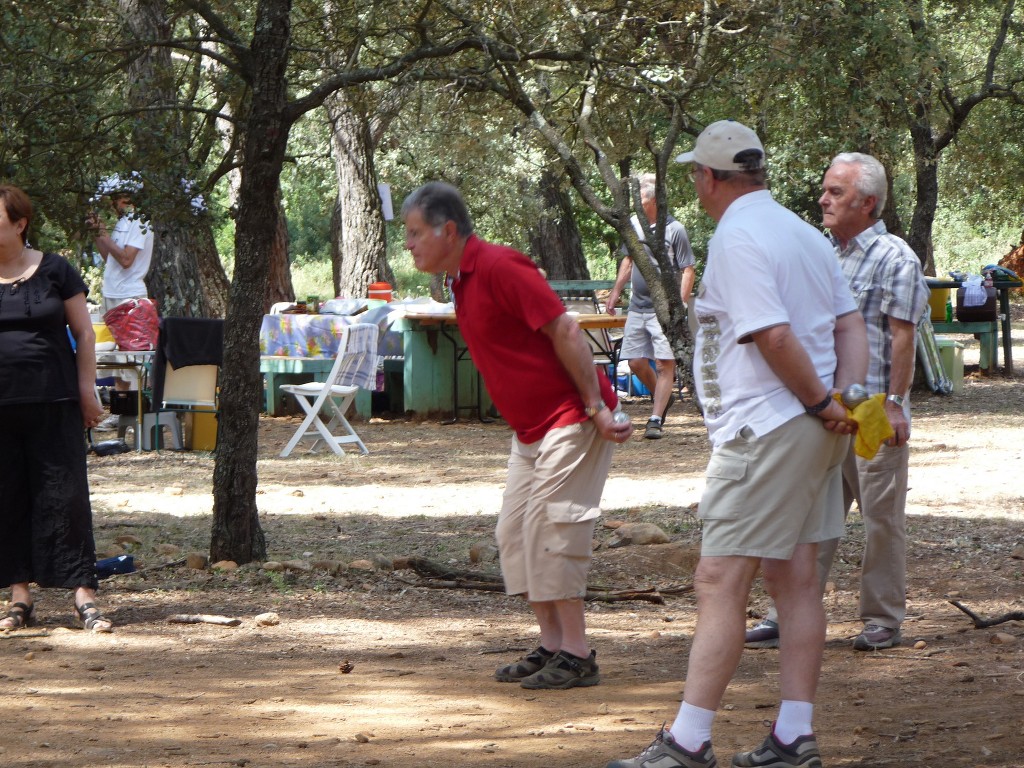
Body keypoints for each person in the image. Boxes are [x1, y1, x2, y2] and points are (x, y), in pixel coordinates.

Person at [607, 121, 867, 768]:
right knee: (796, 578)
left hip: (770, 427)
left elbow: (773, 336)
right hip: (810, 427)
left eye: (698, 172)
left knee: (720, 576)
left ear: (712, 178)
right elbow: (848, 321)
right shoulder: (804, 233)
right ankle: (792, 734)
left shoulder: (737, 236)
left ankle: (689, 742)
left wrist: (819, 402)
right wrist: (847, 396)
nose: (695, 182)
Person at [401, 181, 633, 690]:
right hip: (530, 429)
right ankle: (551, 644)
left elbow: (567, 331)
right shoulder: (459, 279)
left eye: (415, 233)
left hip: (571, 415)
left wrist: (596, 408)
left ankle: (578, 653)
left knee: (555, 529)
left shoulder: (501, 266)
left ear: (449, 230)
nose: (409, 244)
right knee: (515, 532)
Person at [745, 153, 929, 653]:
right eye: (825, 190)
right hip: (823, 409)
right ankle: (785, 614)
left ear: (868, 203)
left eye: (836, 193)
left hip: (871, 410)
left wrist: (894, 403)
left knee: (881, 518)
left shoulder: (895, 257)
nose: (823, 200)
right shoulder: (822, 251)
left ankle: (882, 619)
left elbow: (901, 337)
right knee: (808, 515)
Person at [0, 184, 113, 633]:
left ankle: (82, 594)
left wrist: (87, 390)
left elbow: (84, 334)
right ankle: (18, 597)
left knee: (64, 497)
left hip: (55, 399)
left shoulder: (55, 270)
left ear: (19, 223)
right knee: (8, 497)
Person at [605, 173, 696, 439]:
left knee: (664, 363)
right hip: (637, 306)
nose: (637, 204)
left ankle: (655, 419)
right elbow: (628, 260)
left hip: (664, 309)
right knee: (635, 362)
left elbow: (688, 269)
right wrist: (616, 292)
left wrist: (678, 305)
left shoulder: (675, 229)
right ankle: (662, 397)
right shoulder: (634, 224)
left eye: (641, 198)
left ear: (654, 201)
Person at [87, 183, 154, 428]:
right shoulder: (122, 223)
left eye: (116, 198)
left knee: (133, 357)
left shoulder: (140, 221)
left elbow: (126, 259)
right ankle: (119, 411)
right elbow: (110, 258)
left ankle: (137, 411)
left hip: (130, 296)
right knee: (118, 357)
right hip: (112, 291)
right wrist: (98, 232)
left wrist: (105, 235)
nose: (113, 203)